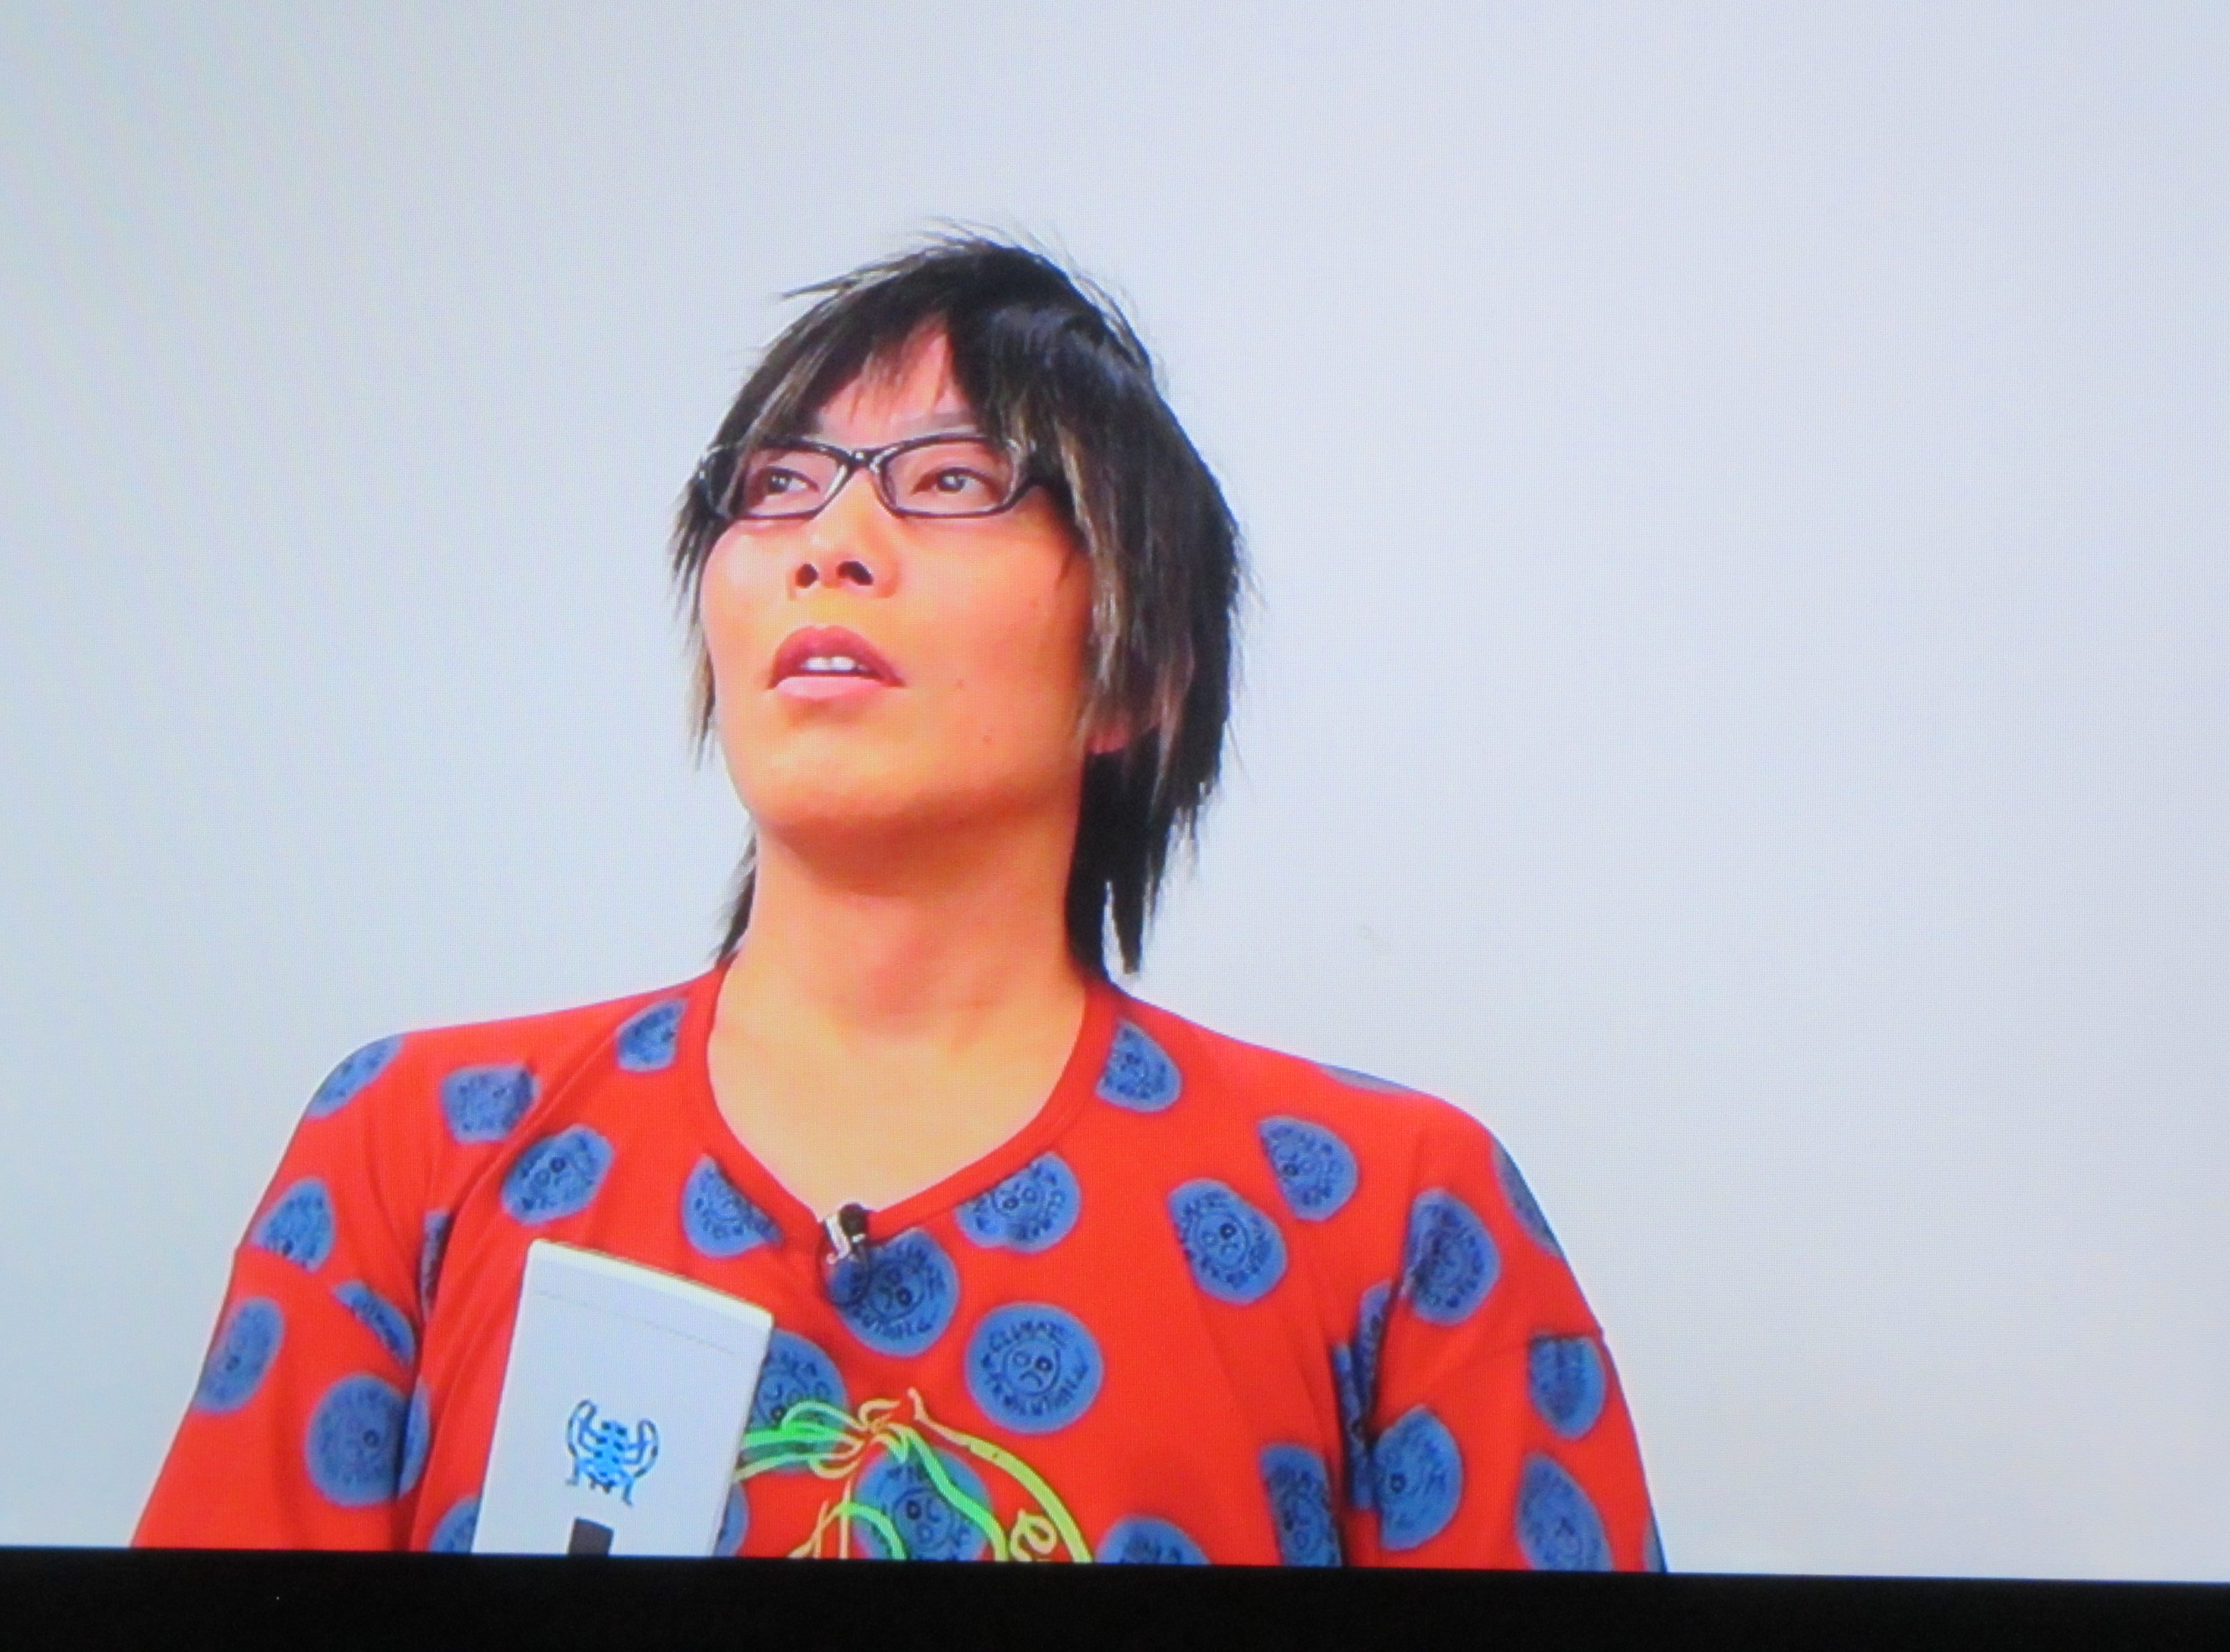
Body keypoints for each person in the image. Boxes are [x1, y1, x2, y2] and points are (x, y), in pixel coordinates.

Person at [136, 234, 1657, 1568]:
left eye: (949, 482)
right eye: (777, 487)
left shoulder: (1388, 1220)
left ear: (1138, 673)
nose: (830, 545)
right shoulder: (418, 1153)